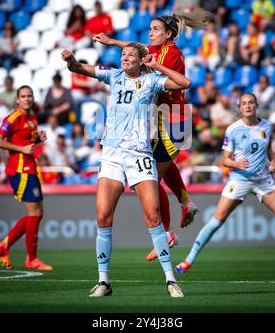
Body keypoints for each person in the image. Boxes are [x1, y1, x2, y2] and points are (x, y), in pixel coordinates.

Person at [61, 42, 191, 297]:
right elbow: (78, 68)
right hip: (112, 155)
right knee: (102, 217)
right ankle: (103, 281)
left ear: (142, 60)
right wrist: (70, 60)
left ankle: (170, 280)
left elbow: (184, 83)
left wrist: (157, 66)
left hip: (140, 155)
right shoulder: (113, 75)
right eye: (123, 54)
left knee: (153, 216)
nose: (125, 58)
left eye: (131, 55)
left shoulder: (153, 81)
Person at [93, 9, 211, 261]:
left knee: (150, 178)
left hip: (175, 121)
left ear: (168, 34)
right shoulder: (156, 50)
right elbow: (137, 47)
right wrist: (113, 42)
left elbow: (150, 70)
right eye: (149, 29)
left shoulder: (171, 54)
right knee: (158, 170)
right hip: (160, 119)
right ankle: (185, 202)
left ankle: (168, 232)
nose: (150, 33)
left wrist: (136, 64)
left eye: (155, 30)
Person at [176, 93, 275, 275]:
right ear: (240, 108)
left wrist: (273, 161)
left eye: (251, 102)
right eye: (244, 103)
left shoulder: (267, 126)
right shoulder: (233, 129)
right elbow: (225, 160)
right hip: (239, 180)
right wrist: (236, 163)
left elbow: (270, 151)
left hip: (263, 180)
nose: (248, 106)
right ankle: (189, 259)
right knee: (216, 221)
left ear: (256, 105)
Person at [0, 85, 52, 271]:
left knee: (37, 213)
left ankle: (5, 247)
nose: (27, 99)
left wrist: (37, 140)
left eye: (29, 96)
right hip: (20, 170)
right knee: (34, 213)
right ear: (17, 100)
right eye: (23, 96)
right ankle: (30, 258)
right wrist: (22, 149)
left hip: (30, 168)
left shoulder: (32, 118)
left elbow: (27, 142)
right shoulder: (13, 118)